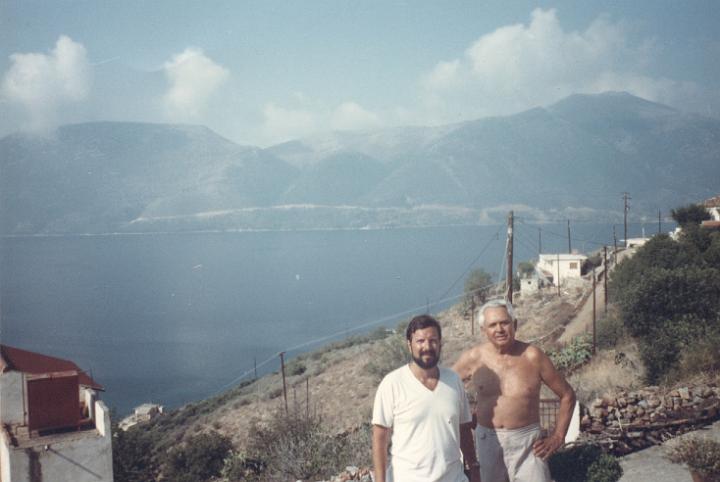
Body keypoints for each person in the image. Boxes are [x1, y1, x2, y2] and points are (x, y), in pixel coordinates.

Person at [452, 299, 576, 482]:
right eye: (492, 325)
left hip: (529, 445)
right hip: (488, 441)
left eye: (504, 322)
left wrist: (558, 436)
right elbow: (444, 390)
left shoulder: (533, 356)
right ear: (483, 330)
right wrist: (463, 415)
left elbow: (567, 395)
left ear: (514, 324)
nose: (499, 329)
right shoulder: (473, 358)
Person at [372, 314, 480, 482]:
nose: (427, 346)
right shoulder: (392, 383)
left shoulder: (453, 380)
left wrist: (474, 467)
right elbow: (379, 438)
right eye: (420, 341)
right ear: (409, 345)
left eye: (433, 340)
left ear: (440, 344)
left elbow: (464, 429)